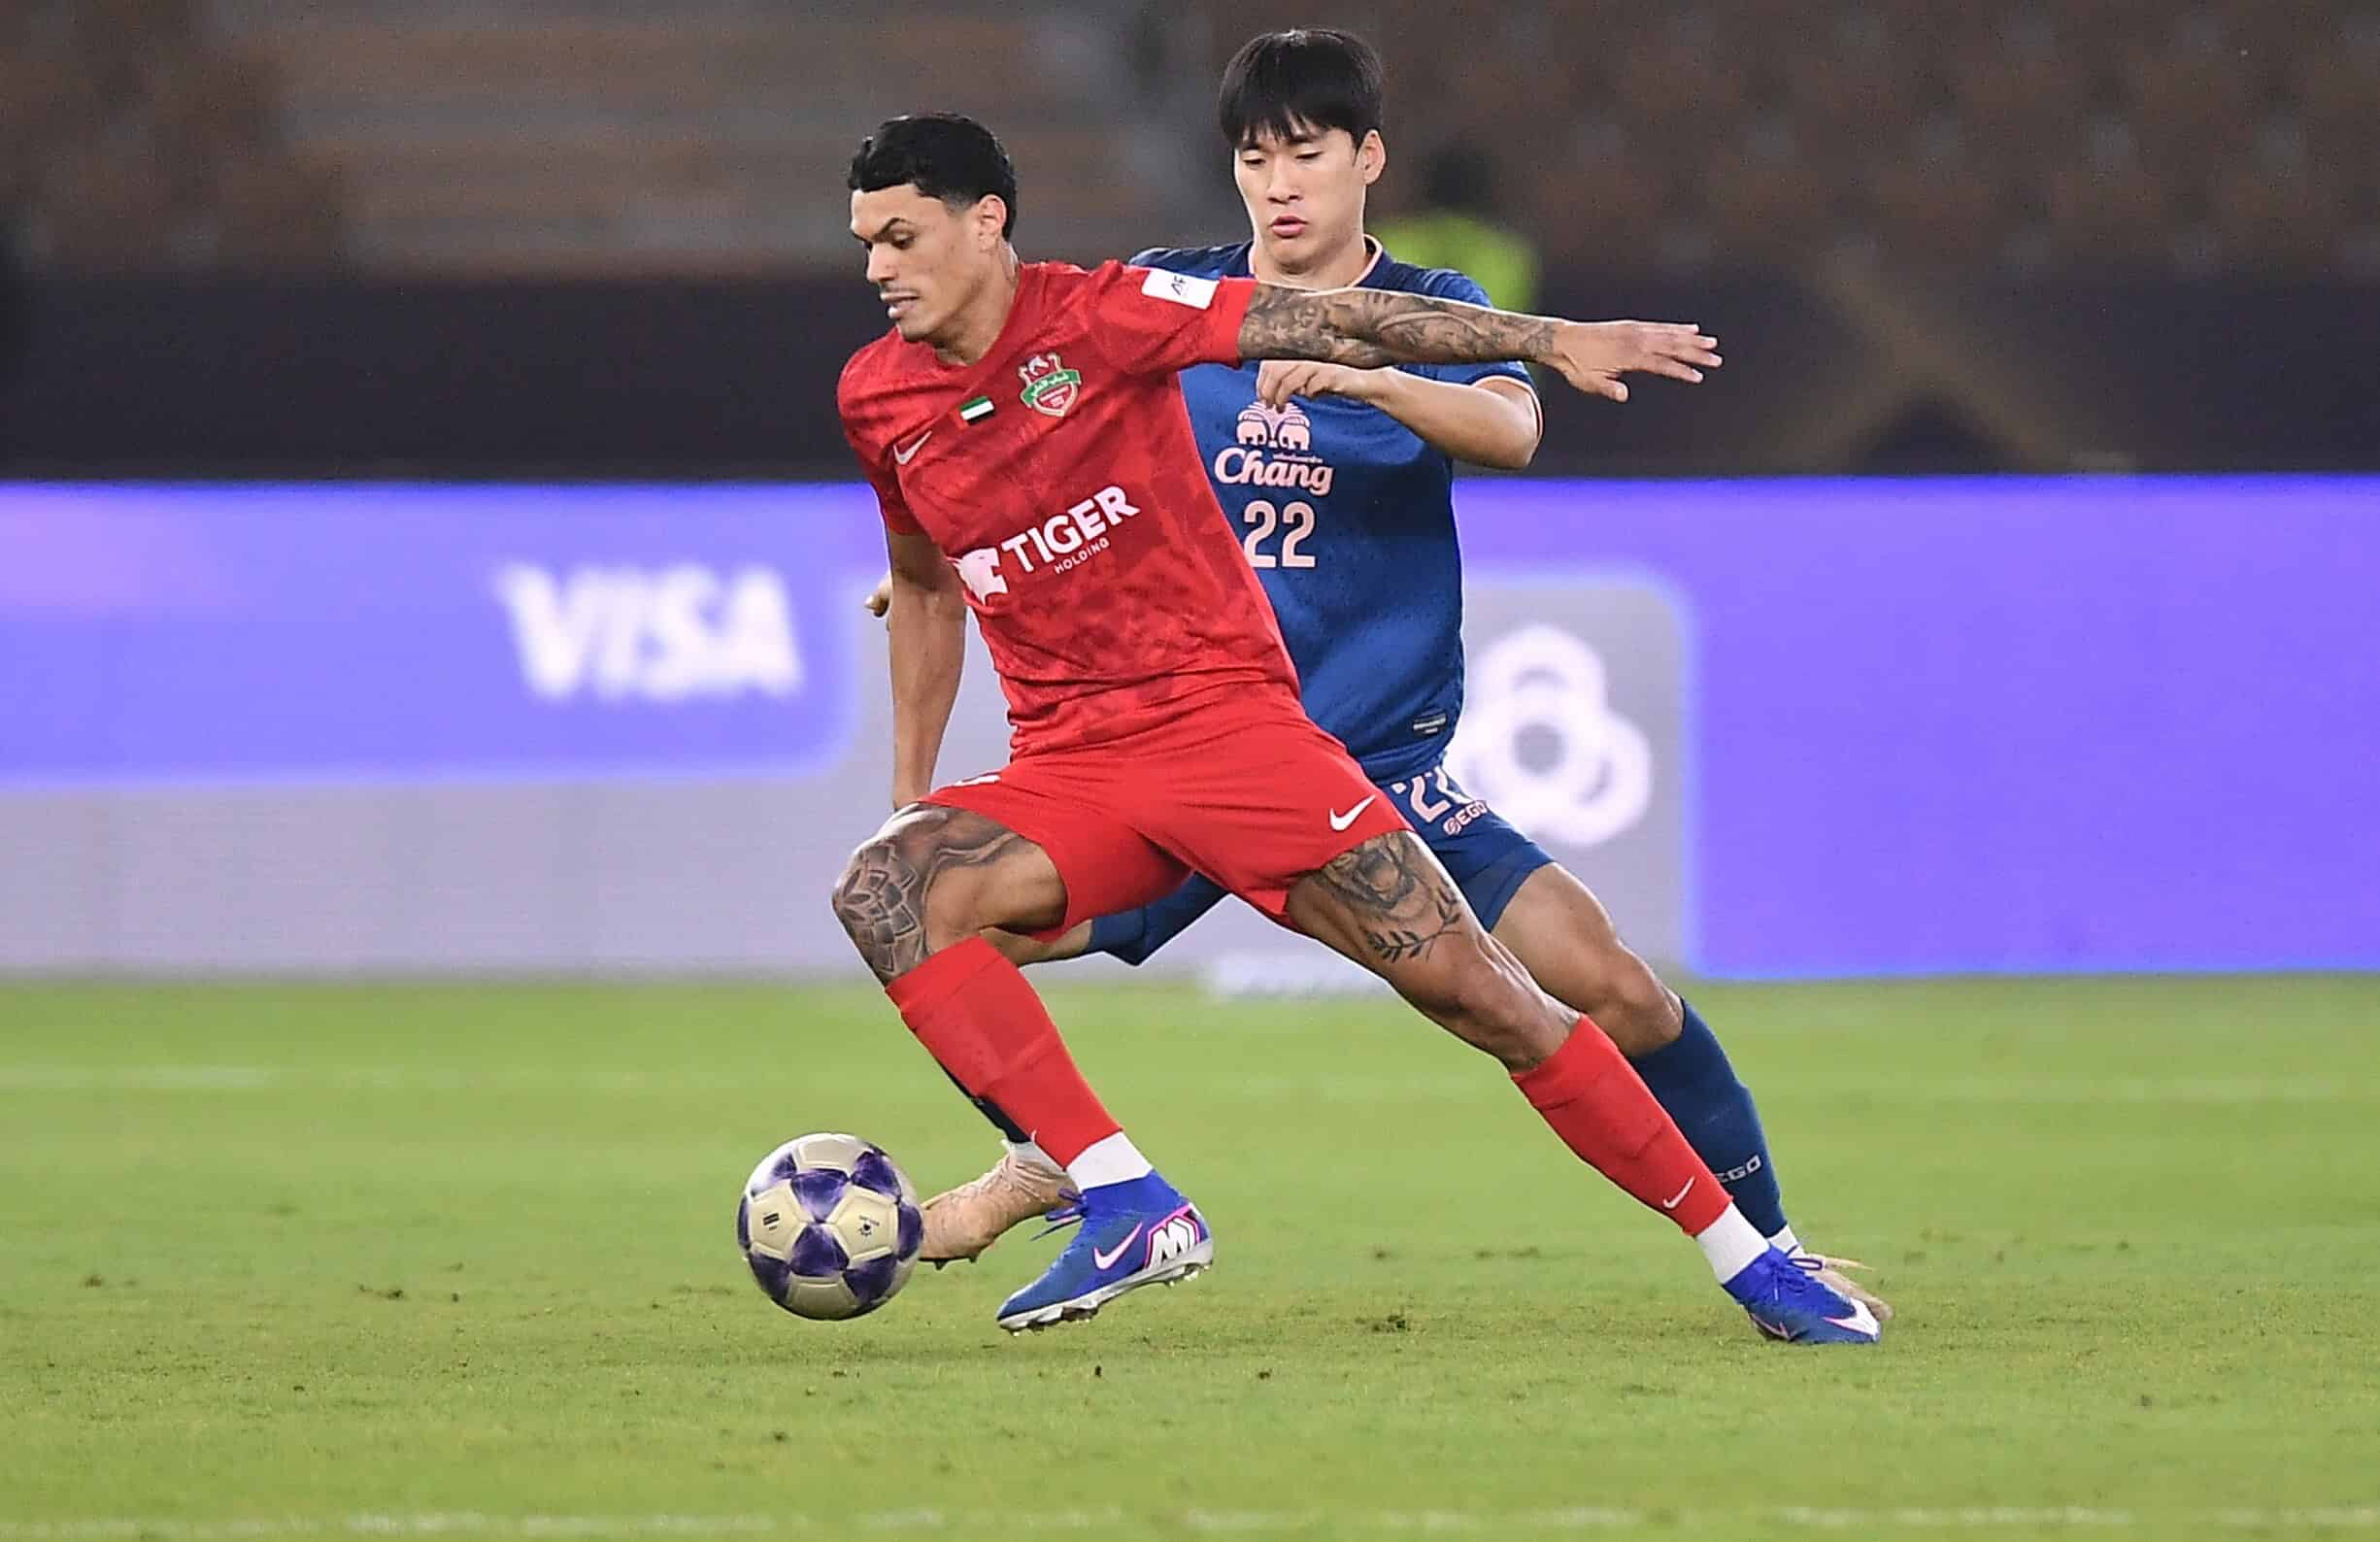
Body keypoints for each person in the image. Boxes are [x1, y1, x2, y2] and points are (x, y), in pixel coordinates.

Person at [900, 28, 1891, 1334]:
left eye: (1305, 154)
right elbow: (1035, 437)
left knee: (1612, 986)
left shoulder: (1428, 305)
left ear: (1368, 158)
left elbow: (1511, 426)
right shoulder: (1173, 298)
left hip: (1375, 763)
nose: (1278, 185)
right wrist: (954, 553)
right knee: (950, 921)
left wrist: (1378, 376)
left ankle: (1776, 1249)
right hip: (1193, 755)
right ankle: (1053, 1162)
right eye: (1253, 159)